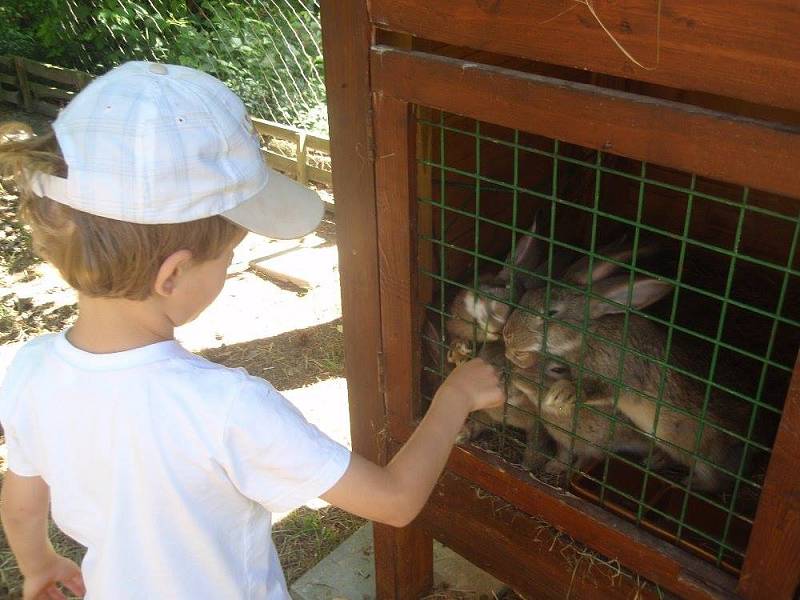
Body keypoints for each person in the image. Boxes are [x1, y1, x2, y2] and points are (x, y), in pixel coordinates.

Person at [0, 62, 505, 600]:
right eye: (229, 256)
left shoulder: (29, 370)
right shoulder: (226, 409)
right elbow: (396, 501)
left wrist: (40, 564)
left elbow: (24, 500)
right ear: (172, 274)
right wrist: (456, 395)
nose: (230, 267)